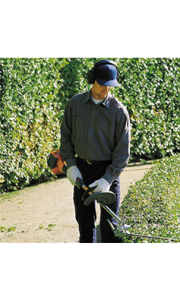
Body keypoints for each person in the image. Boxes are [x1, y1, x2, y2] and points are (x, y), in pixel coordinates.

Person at [60, 59, 131, 244]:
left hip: (107, 171)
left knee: (110, 229)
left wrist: (108, 179)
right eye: (102, 84)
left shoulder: (119, 111)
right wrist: (71, 166)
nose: (106, 88)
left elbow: (122, 154)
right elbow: (66, 136)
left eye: (110, 85)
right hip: (81, 169)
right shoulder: (75, 104)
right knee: (85, 225)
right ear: (92, 79)